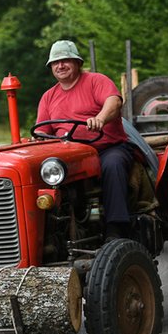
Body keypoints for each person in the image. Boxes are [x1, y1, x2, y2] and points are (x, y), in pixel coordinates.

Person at [35, 39, 134, 242]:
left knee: (113, 164)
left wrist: (100, 118)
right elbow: (42, 132)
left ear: (77, 63)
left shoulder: (96, 81)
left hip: (105, 149)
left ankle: (116, 229)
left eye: (65, 60)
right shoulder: (48, 97)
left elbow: (113, 102)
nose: (60, 66)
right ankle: (44, 235)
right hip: (69, 156)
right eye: (55, 62)